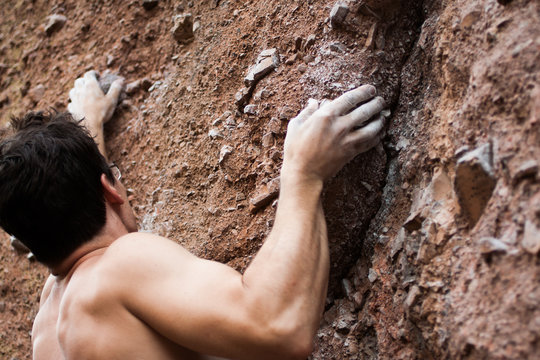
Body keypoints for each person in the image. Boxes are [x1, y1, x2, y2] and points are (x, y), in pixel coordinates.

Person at [0, 70, 387, 360]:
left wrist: (88, 122)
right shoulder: (120, 266)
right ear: (111, 188)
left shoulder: (46, 335)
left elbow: (57, 195)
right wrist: (304, 172)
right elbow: (280, 328)